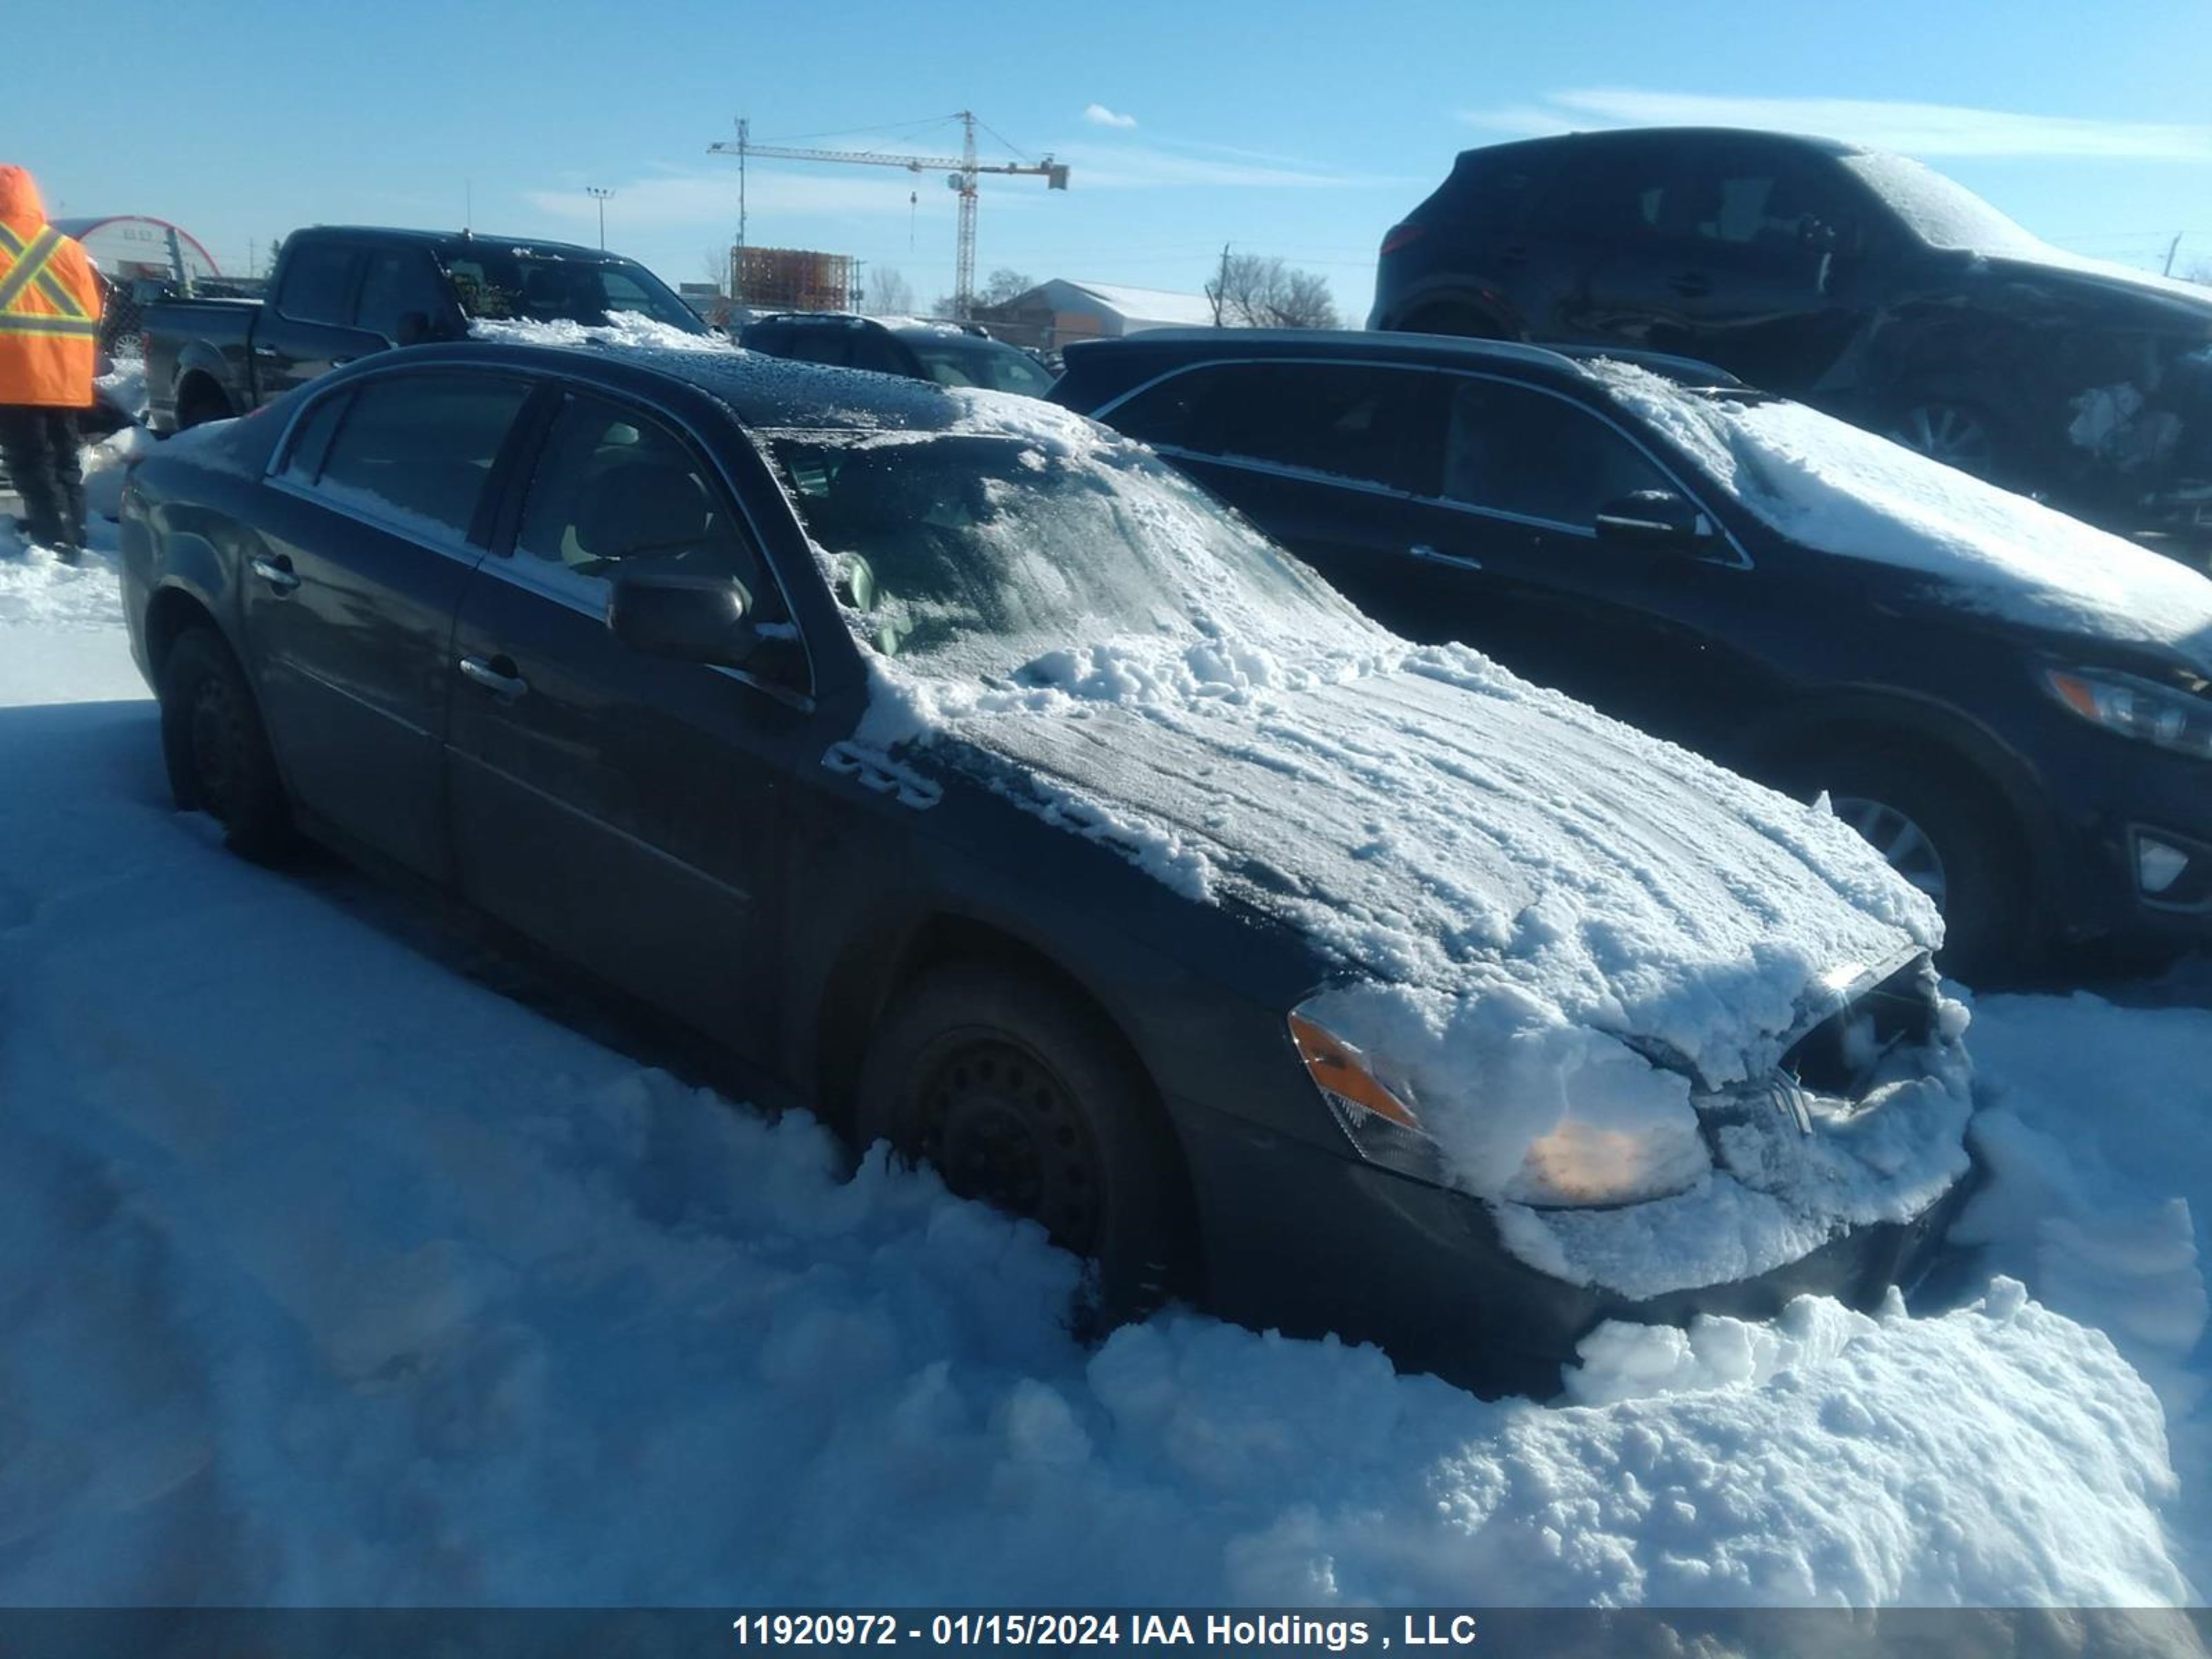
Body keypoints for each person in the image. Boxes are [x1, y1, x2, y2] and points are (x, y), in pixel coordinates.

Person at [0, 165, 102, 563]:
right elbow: (91, 309)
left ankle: (52, 536)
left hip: (15, 373)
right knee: (63, 457)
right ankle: (73, 529)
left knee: (31, 458)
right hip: (66, 374)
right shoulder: (69, 249)